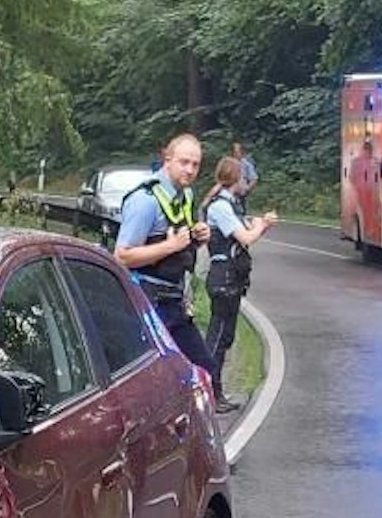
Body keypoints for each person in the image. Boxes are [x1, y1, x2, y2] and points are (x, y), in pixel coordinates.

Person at [116, 134, 216, 378]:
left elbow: (181, 242)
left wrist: (198, 236)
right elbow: (122, 257)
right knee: (157, 377)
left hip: (175, 300)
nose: (190, 170)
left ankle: (205, 408)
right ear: (167, 159)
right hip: (146, 303)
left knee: (203, 371)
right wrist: (171, 246)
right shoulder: (145, 200)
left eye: (195, 164)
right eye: (184, 162)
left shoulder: (185, 196)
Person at [201, 155, 278, 412]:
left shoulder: (231, 204)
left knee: (225, 337)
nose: (248, 181)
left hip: (232, 278)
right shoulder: (221, 207)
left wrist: (262, 226)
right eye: (245, 177)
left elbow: (246, 234)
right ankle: (210, 392)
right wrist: (261, 226)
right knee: (218, 336)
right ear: (235, 178)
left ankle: (216, 391)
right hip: (223, 277)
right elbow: (245, 237)